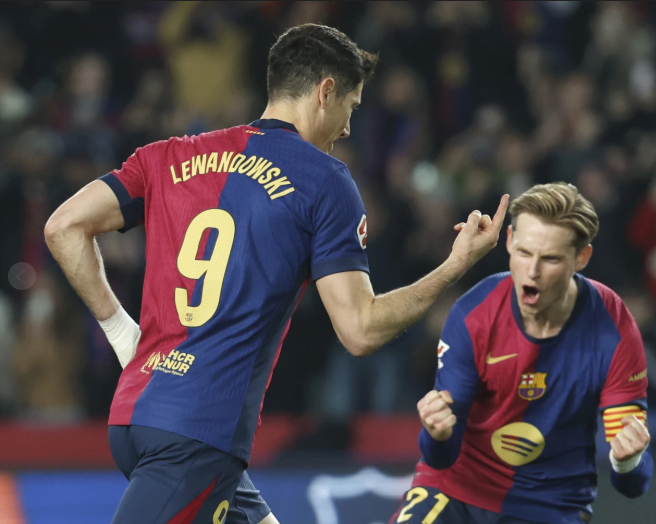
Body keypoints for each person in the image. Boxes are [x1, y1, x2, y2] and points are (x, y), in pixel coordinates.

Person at [44, 23, 509, 524]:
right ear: (325, 92)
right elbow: (361, 329)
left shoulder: (166, 155)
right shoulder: (323, 180)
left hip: (136, 414)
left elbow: (63, 226)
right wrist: (455, 265)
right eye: (351, 107)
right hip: (197, 438)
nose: (347, 129)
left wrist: (121, 331)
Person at [392, 183, 652, 524]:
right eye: (525, 252)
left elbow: (633, 483)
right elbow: (440, 456)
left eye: (551, 259)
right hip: (457, 490)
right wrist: (436, 434)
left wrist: (628, 461)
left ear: (581, 258)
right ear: (510, 240)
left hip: (550, 507)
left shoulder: (612, 327)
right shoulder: (474, 314)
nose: (532, 271)